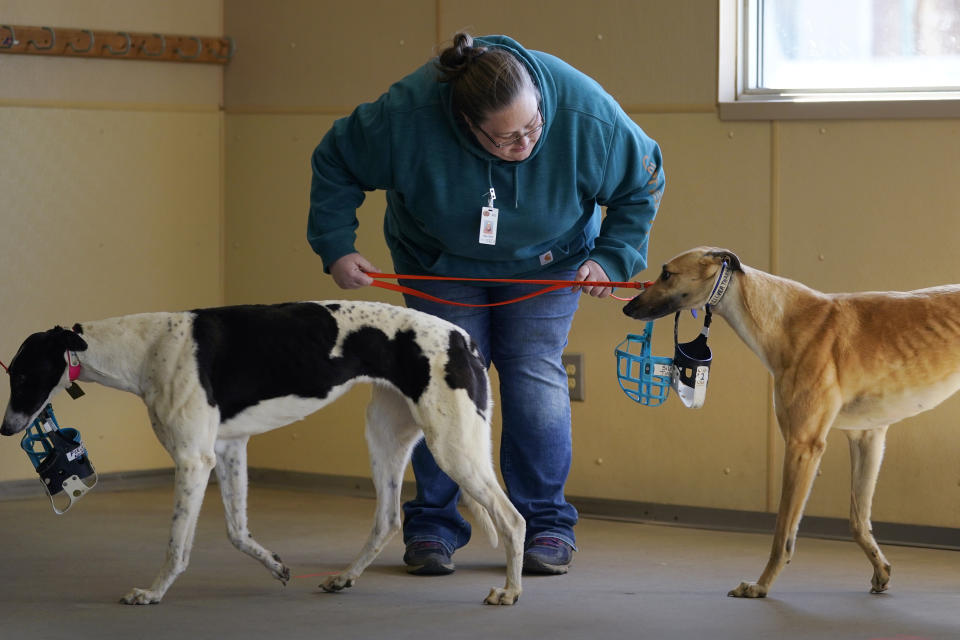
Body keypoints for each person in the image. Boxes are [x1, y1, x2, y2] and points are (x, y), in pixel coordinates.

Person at [308, 33, 664, 576]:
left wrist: (613, 258)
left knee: (533, 374)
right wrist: (337, 245)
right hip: (439, 262)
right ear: (467, 125)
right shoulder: (407, 115)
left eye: (532, 129)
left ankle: (545, 525)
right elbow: (336, 159)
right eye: (504, 139)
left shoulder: (585, 113)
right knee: (442, 383)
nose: (523, 144)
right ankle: (432, 524)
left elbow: (642, 186)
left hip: (550, 261)